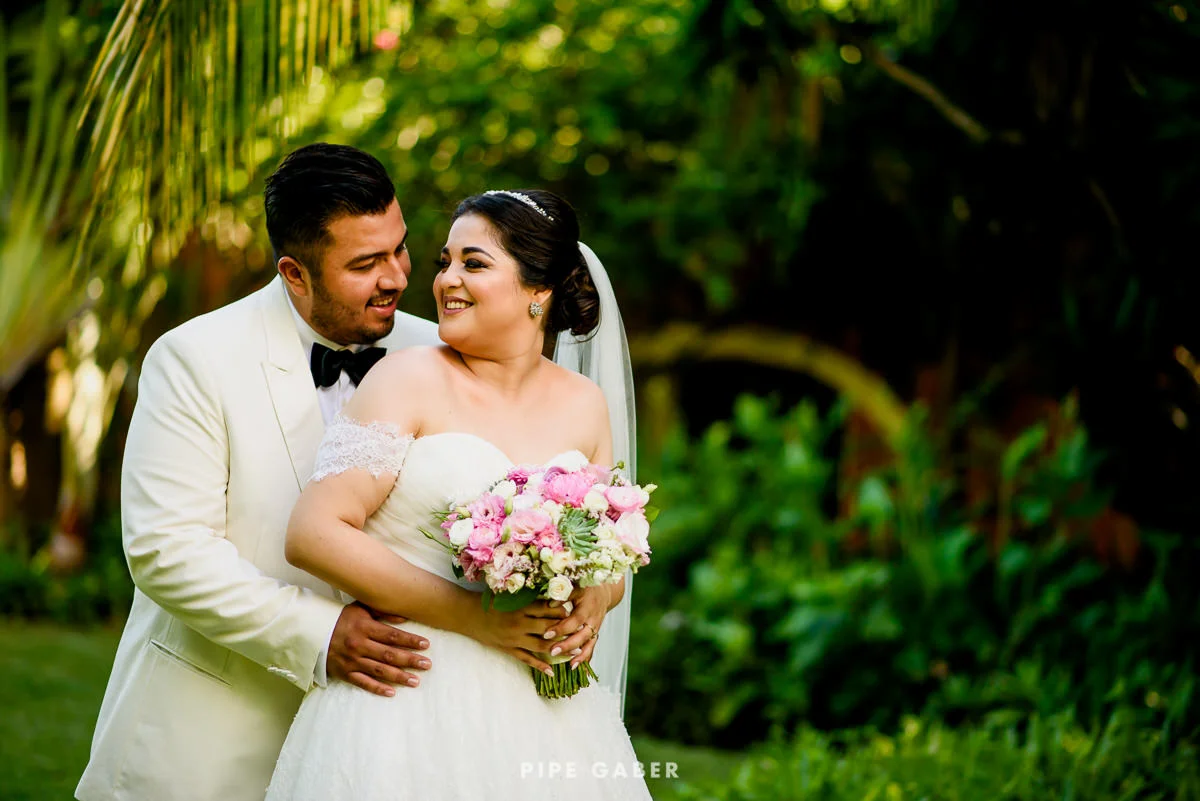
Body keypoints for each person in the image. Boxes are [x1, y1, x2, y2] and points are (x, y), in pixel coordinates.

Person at [76, 145, 554, 801]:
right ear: (295, 273)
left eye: (400, 249)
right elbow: (168, 552)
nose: (397, 277)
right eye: (364, 264)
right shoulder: (194, 359)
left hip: (389, 742)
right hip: (215, 733)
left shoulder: (441, 349)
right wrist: (320, 634)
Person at [264, 189, 651, 800]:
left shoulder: (585, 402)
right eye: (444, 262)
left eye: (474, 263)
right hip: (410, 697)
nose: (446, 279)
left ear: (539, 290)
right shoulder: (409, 377)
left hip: (546, 715)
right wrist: (476, 619)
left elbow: (609, 554)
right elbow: (314, 533)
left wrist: (596, 597)